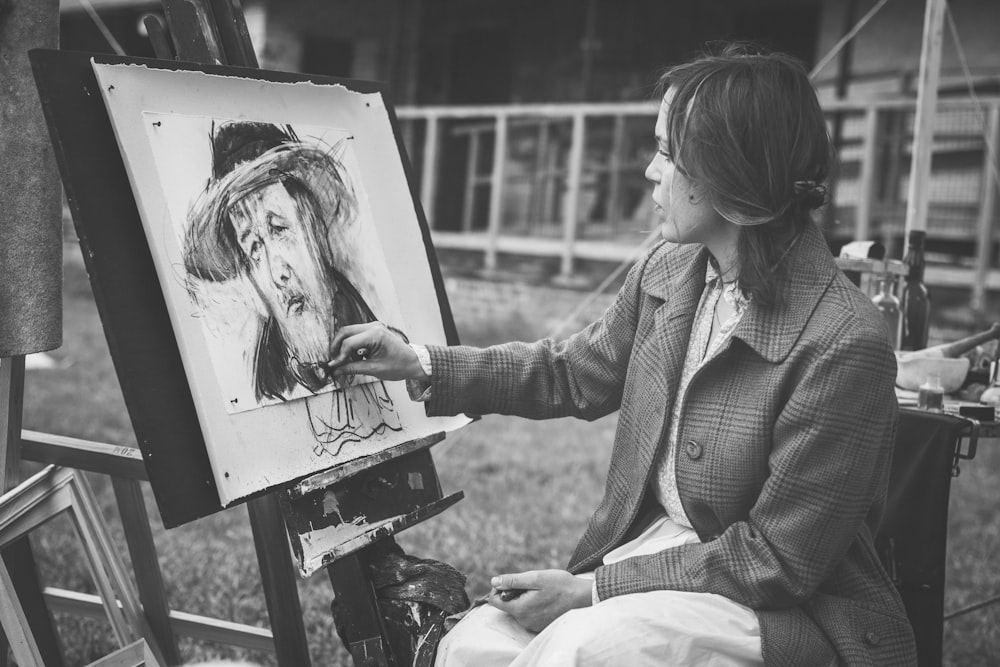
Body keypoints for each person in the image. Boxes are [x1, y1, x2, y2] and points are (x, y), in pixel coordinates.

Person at [327, 44, 918, 666]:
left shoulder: (844, 342)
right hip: (659, 558)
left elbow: (776, 561)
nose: (649, 172)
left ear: (730, 172)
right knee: (475, 645)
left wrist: (592, 590)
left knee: (584, 648)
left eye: (668, 152)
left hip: (783, 610)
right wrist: (418, 361)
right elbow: (573, 372)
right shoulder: (671, 270)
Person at [183, 121, 378, 403]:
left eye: (279, 229)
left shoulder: (376, 335)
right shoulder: (266, 387)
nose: (277, 274)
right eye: (254, 249)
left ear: (315, 233)